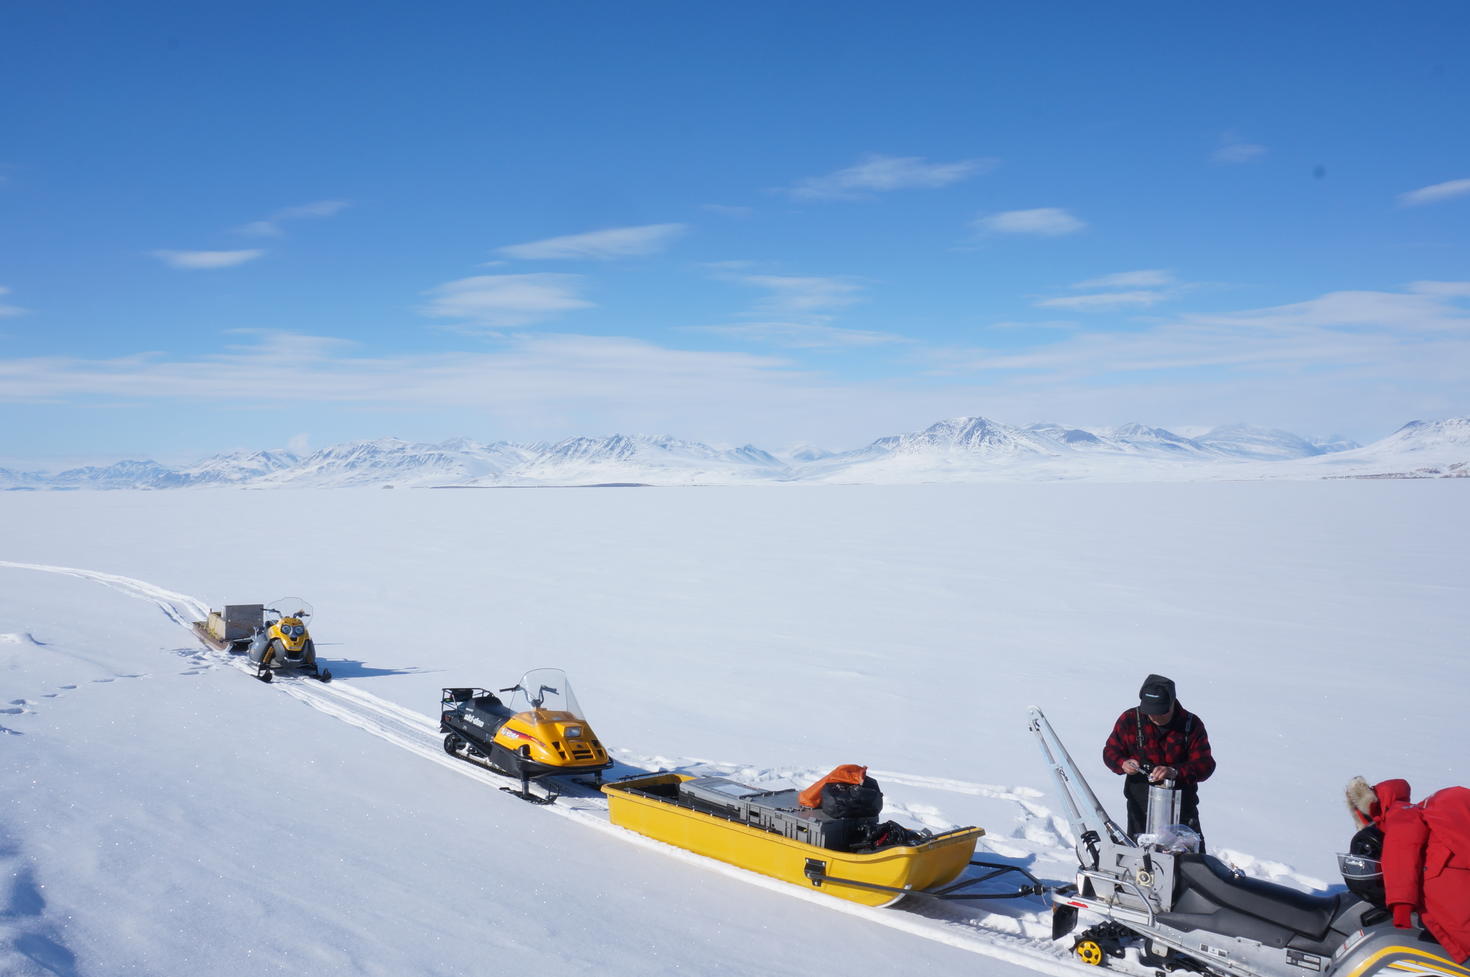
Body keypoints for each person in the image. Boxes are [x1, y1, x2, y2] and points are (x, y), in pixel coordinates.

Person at [1346, 776, 1470, 963]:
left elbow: (1401, 850)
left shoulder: (1400, 814)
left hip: (1441, 874)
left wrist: (1401, 904)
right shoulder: (1429, 805)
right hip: (1452, 866)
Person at [1102, 673, 1215, 839]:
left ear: (1172, 704)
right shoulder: (1130, 719)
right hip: (1140, 810)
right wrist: (1123, 763)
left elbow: (1205, 764)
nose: (1154, 717)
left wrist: (1174, 771)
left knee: (1190, 862)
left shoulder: (1191, 725)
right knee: (1142, 862)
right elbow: (1110, 751)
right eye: (1150, 712)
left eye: (1160, 712)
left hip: (1181, 812)